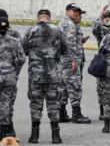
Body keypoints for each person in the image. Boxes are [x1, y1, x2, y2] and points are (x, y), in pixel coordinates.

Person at [21, 9, 69, 144]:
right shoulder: (58, 31)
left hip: (35, 75)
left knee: (35, 104)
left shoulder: (30, 31)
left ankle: (34, 136)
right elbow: (66, 49)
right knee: (54, 104)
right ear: (50, 17)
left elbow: (22, 50)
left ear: (38, 18)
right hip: (53, 74)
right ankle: (56, 136)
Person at [58, 3, 91, 124]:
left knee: (64, 87)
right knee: (75, 86)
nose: (77, 14)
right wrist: (73, 60)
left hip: (63, 60)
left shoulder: (65, 23)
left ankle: (61, 113)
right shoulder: (70, 25)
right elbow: (69, 44)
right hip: (69, 61)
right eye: (74, 11)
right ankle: (76, 114)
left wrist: (80, 40)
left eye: (78, 12)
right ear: (67, 12)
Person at [92, 5, 110, 121]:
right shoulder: (101, 32)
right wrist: (100, 16)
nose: (107, 19)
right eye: (105, 17)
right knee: (102, 88)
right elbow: (95, 29)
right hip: (103, 61)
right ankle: (102, 111)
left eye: (109, 17)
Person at [0, 17, 25, 140]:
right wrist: (15, 72)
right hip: (9, 76)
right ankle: (4, 131)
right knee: (6, 103)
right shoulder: (15, 41)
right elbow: (21, 59)